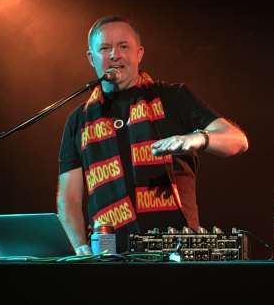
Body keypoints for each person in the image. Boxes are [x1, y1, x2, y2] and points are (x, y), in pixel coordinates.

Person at [56, 15, 249, 255]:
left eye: (123, 46)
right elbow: (69, 198)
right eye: (105, 48)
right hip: (108, 256)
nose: (115, 54)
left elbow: (238, 140)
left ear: (139, 54)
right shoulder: (79, 119)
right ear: (91, 58)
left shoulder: (172, 97)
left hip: (176, 253)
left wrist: (196, 138)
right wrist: (78, 246)